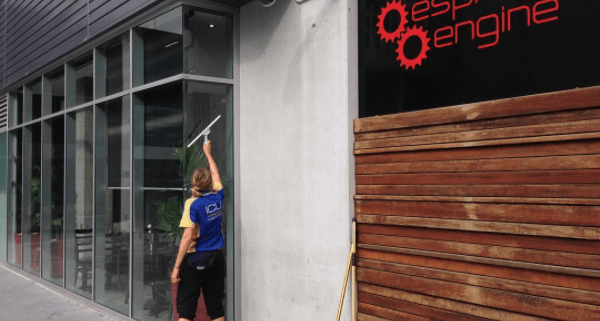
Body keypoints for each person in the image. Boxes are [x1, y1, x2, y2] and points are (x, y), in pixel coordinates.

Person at [171, 140, 226, 321]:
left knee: (186, 312)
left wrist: (177, 267)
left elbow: (187, 236)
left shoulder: (192, 204)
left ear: (194, 182)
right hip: (215, 259)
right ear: (209, 182)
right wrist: (208, 154)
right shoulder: (218, 197)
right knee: (216, 310)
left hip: (194, 260)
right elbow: (217, 175)